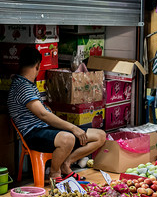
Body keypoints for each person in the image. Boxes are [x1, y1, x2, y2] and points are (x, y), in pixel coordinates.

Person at [7, 47, 106, 183]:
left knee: (100, 136)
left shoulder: (28, 84)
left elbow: (43, 112)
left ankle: (66, 164)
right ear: (37, 66)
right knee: (68, 138)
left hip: (46, 129)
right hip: (34, 133)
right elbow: (43, 115)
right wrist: (73, 128)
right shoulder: (21, 86)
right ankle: (54, 173)